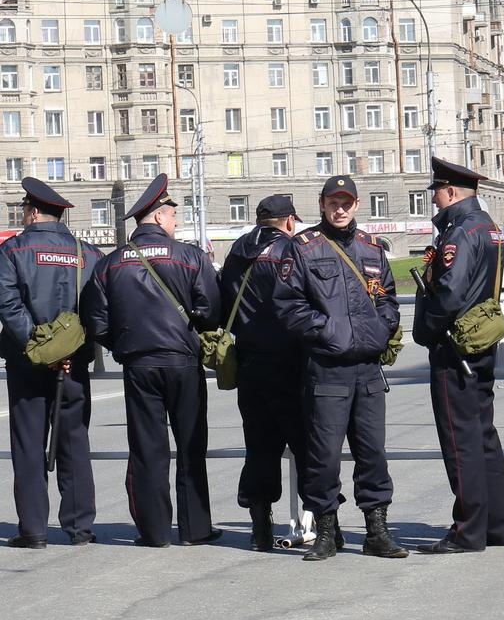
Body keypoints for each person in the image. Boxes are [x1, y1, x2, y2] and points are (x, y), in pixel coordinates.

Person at [81, 174, 223, 548]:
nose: (176, 223)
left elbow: (96, 321)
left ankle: (155, 531)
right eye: (174, 215)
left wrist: (125, 344)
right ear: (159, 217)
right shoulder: (191, 257)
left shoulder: (110, 263)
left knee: (147, 449)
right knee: (191, 444)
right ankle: (195, 530)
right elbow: (211, 311)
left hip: (139, 365)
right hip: (183, 362)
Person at [272, 175, 406, 562]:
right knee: (324, 456)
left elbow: (388, 299)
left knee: (372, 453)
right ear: (322, 204)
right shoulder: (302, 248)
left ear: (357, 205)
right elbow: (289, 306)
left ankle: (377, 531)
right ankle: (327, 532)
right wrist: (330, 333)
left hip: (367, 369)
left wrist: (381, 328)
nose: (341, 209)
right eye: (334, 202)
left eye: (347, 202)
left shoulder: (371, 249)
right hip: (326, 368)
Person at [412, 158, 504, 554]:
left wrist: (426, 330)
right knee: (483, 434)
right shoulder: (488, 228)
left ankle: (468, 529)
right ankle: (499, 524)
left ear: (451, 192)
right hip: (481, 340)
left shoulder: (458, 232)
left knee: (460, 439)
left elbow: (450, 293)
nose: (435, 201)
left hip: (456, 347)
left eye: (436, 192)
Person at [0, 178, 103, 547]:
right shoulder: (89, 253)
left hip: (27, 364)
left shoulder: (12, 251)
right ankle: (79, 529)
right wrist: (72, 349)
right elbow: (98, 310)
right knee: (74, 440)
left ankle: (34, 530)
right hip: (72, 364)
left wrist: (36, 347)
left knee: (29, 443)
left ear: (31, 210)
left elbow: (8, 305)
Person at [220, 194, 314, 552]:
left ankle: (260, 527)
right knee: (306, 446)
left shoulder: (236, 253)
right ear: (289, 221)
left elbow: (223, 304)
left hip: (249, 363)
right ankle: (324, 522)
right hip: (291, 363)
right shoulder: (291, 250)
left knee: (259, 447)